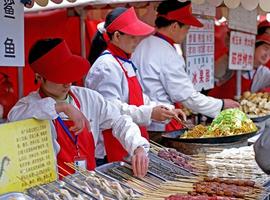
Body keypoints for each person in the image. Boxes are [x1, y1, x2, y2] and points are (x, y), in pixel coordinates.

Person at [8, 38, 150, 178]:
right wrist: (62, 107)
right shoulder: (29, 104)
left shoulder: (88, 98)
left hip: (89, 183)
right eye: (59, 77)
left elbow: (119, 121)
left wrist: (137, 146)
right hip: (53, 188)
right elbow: (15, 117)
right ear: (39, 77)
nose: (67, 83)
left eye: (68, 74)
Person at [85, 7, 186, 162]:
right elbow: (112, 111)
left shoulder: (125, 61)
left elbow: (139, 97)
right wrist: (149, 113)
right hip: (110, 148)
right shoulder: (106, 66)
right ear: (117, 36)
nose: (137, 41)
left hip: (130, 142)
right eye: (133, 36)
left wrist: (166, 109)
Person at [131, 0, 239, 133]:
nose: (187, 33)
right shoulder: (167, 53)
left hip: (143, 120)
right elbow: (187, 97)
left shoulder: (142, 44)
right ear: (175, 26)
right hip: (161, 125)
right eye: (186, 28)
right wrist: (221, 104)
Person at [209, 31, 270, 99]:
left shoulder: (264, 72)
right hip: (216, 103)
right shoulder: (233, 59)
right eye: (265, 48)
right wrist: (229, 55)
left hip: (237, 108)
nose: (266, 54)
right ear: (254, 47)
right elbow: (213, 75)